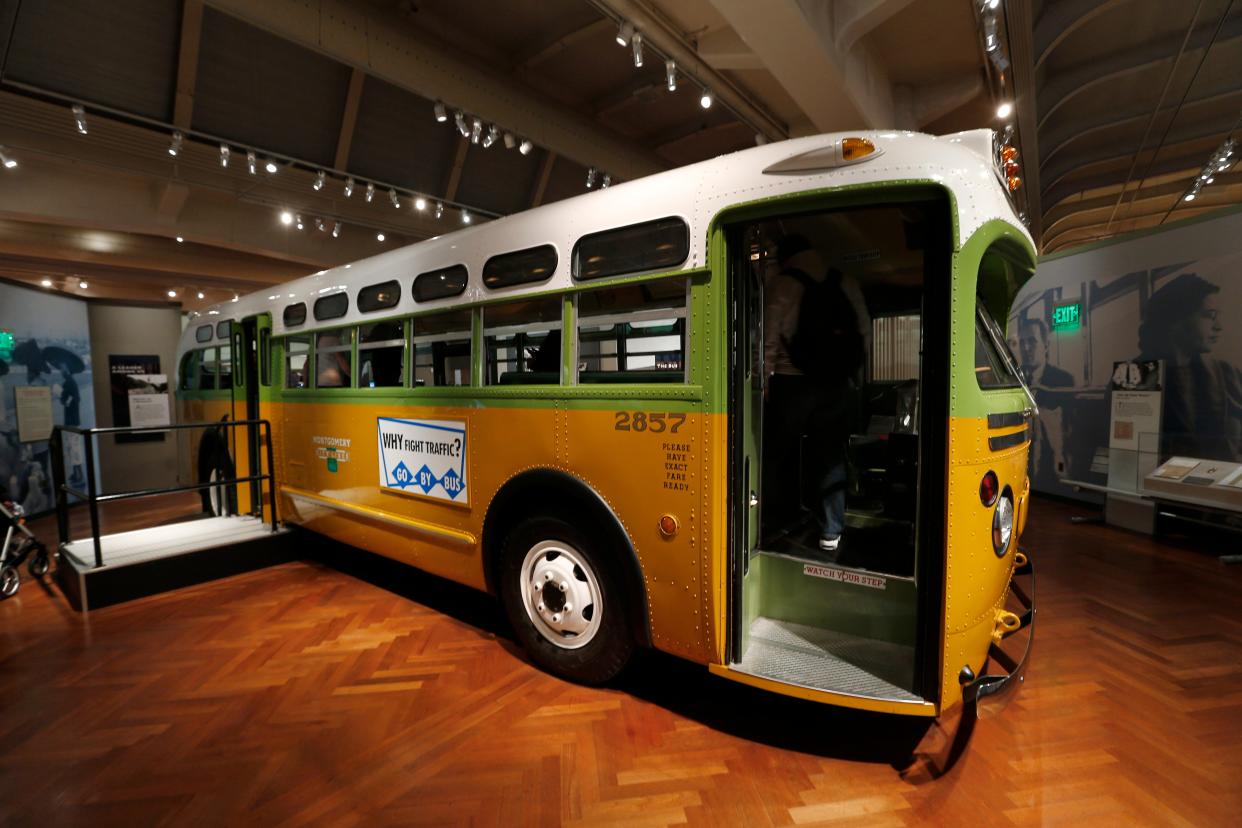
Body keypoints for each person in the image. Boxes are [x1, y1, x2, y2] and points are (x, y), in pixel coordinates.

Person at [762, 234, 861, 555]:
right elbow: (863, 331)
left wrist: (763, 381)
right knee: (830, 456)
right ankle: (831, 530)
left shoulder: (783, 283)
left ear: (786, 256)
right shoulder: (844, 281)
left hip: (792, 382)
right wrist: (854, 378)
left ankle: (775, 520)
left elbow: (769, 338)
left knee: (778, 455)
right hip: (836, 384)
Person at [1138, 273, 1242, 462]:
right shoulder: (1135, 377)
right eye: (1209, 316)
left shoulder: (1227, 375)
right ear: (1175, 320)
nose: (1219, 326)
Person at [1018, 317, 1073, 480]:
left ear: (1046, 345)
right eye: (1022, 342)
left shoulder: (1063, 380)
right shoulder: (1013, 378)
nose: (1026, 348)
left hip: (1050, 471)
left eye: (1032, 341)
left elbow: (1068, 429)